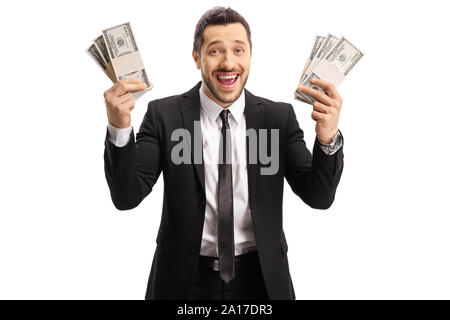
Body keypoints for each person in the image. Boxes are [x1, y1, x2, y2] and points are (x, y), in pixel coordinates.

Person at [103, 6, 344, 300]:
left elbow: (319, 197)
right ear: (197, 58)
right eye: (215, 51)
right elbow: (126, 197)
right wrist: (119, 127)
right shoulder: (164, 116)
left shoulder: (278, 118)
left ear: (250, 55)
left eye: (239, 50)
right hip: (183, 281)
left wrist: (328, 137)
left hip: (262, 282)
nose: (229, 63)